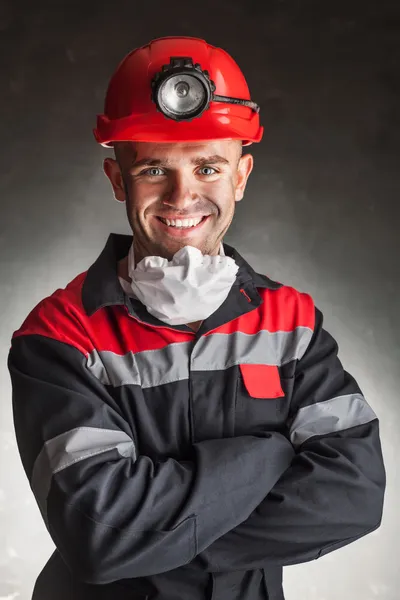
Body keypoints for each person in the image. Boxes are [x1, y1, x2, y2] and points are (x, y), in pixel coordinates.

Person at [8, 36, 386, 600]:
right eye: (155, 168)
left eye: (208, 167)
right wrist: (272, 451)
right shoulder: (59, 334)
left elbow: (354, 494)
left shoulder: (292, 324)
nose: (183, 195)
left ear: (241, 174)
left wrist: (154, 539)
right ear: (118, 180)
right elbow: (99, 535)